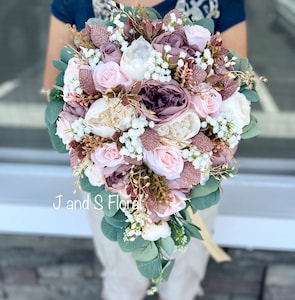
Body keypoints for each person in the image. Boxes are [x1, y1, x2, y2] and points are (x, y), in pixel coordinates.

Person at [43, 1, 247, 300]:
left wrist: (187, 147)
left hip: (193, 176)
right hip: (109, 176)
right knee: (121, 281)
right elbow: (55, 91)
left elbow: (234, 87)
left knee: (182, 281)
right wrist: (111, 142)